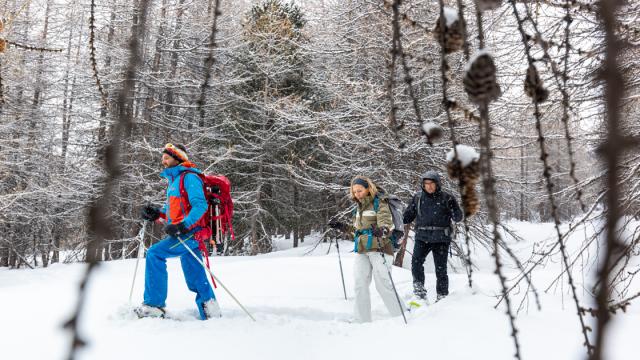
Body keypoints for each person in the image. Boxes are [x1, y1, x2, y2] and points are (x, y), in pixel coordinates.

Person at [135, 143, 221, 320]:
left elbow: (200, 206)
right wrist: (156, 214)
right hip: (187, 232)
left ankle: (153, 305)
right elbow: (173, 213)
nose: (163, 160)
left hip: (190, 232)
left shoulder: (190, 178)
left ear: (178, 158)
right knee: (194, 272)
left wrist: (183, 225)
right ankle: (209, 309)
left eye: (167, 157)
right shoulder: (174, 181)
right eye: (163, 157)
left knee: (154, 254)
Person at [328, 176, 403, 323]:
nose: (357, 194)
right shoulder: (359, 207)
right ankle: (361, 320)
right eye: (354, 191)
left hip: (380, 248)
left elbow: (386, 222)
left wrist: (383, 230)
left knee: (383, 285)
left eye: (360, 190)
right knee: (360, 283)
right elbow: (357, 231)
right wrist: (341, 226)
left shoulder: (380, 202)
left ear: (368, 188)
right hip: (362, 250)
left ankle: (401, 315)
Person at [402, 170, 463, 303]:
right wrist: (397, 212)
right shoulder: (418, 198)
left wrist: (455, 208)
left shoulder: (447, 198)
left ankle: (442, 297)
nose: (429, 186)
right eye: (426, 183)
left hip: (441, 238)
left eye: (431, 183)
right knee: (416, 264)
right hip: (422, 237)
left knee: (440, 269)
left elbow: (458, 218)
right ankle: (419, 292)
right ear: (423, 185)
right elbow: (406, 218)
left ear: (437, 184)